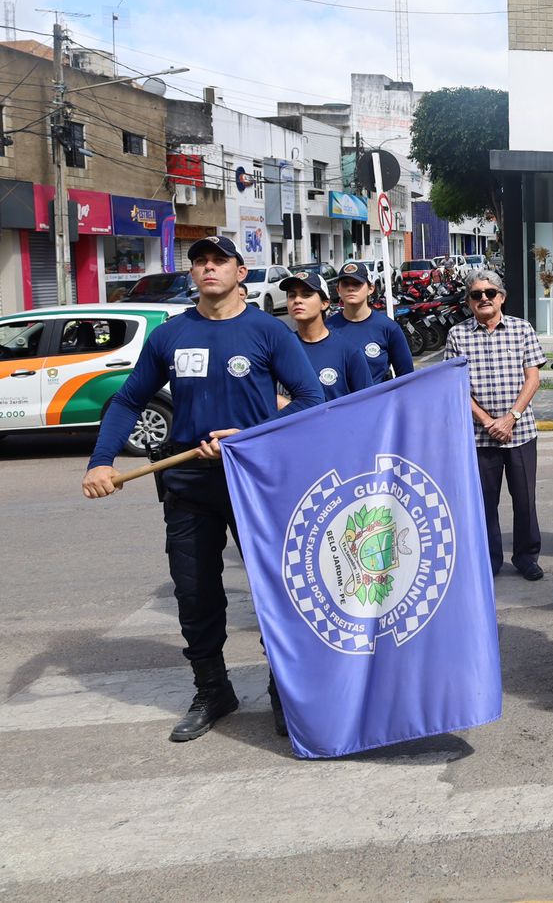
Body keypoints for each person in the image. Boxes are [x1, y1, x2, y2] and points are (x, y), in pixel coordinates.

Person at [81, 235, 323, 743]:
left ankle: (286, 689)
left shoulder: (267, 331)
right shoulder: (171, 335)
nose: (208, 268)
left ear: (240, 272)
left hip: (255, 481)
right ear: (192, 274)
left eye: (219, 261)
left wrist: (252, 435)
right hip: (188, 480)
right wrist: (100, 462)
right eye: (200, 262)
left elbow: (310, 398)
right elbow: (127, 401)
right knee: (194, 592)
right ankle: (213, 689)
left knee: (275, 591)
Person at [446, 269, 548, 580]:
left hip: (520, 431)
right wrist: (488, 421)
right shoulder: (457, 335)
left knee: (525, 499)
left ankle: (526, 557)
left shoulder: (521, 329)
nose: (484, 299)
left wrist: (511, 417)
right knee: (484, 502)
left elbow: (533, 377)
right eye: (476, 295)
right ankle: (490, 560)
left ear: (501, 297)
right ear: (469, 302)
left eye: (490, 293)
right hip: (479, 435)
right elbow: (455, 387)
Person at [279, 270, 372, 402]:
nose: (297, 300)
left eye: (306, 295)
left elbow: (367, 403)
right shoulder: (280, 349)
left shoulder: (348, 352)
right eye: (292, 295)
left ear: (324, 303)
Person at [327, 261, 414, 383]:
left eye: (357, 283)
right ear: (338, 290)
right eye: (345, 284)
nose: (351, 288)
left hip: (378, 401)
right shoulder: (328, 328)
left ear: (371, 288)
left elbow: (406, 377)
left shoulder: (388, 328)